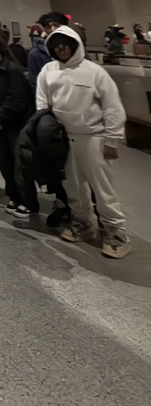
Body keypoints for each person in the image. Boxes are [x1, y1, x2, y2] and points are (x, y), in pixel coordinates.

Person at [37, 26, 131, 258]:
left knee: (102, 188)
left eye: (65, 43)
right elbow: (42, 106)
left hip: (94, 138)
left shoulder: (94, 71)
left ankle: (116, 232)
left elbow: (113, 107)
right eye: (56, 45)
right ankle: (83, 223)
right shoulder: (48, 71)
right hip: (63, 139)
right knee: (73, 184)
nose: (61, 49)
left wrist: (112, 139)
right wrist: (46, 135)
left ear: (75, 44)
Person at [0, 31, 34, 218]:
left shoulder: (11, 69)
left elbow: (16, 98)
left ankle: (26, 201)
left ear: (0, 45)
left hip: (14, 125)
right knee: (5, 164)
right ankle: (13, 196)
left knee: (20, 165)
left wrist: (1, 119)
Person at [27, 12, 69, 92]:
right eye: (48, 27)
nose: (52, 29)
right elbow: (35, 85)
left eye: (56, 25)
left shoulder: (75, 48)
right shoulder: (36, 54)